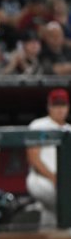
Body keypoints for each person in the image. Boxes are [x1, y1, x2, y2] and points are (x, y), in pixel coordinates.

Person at [26, 89, 71, 226]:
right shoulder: (38, 125)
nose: (60, 109)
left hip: (64, 181)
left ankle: (48, 238)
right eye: (56, 105)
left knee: (52, 215)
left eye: (63, 105)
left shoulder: (69, 129)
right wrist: (56, 178)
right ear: (49, 107)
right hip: (41, 179)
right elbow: (33, 159)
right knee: (61, 196)